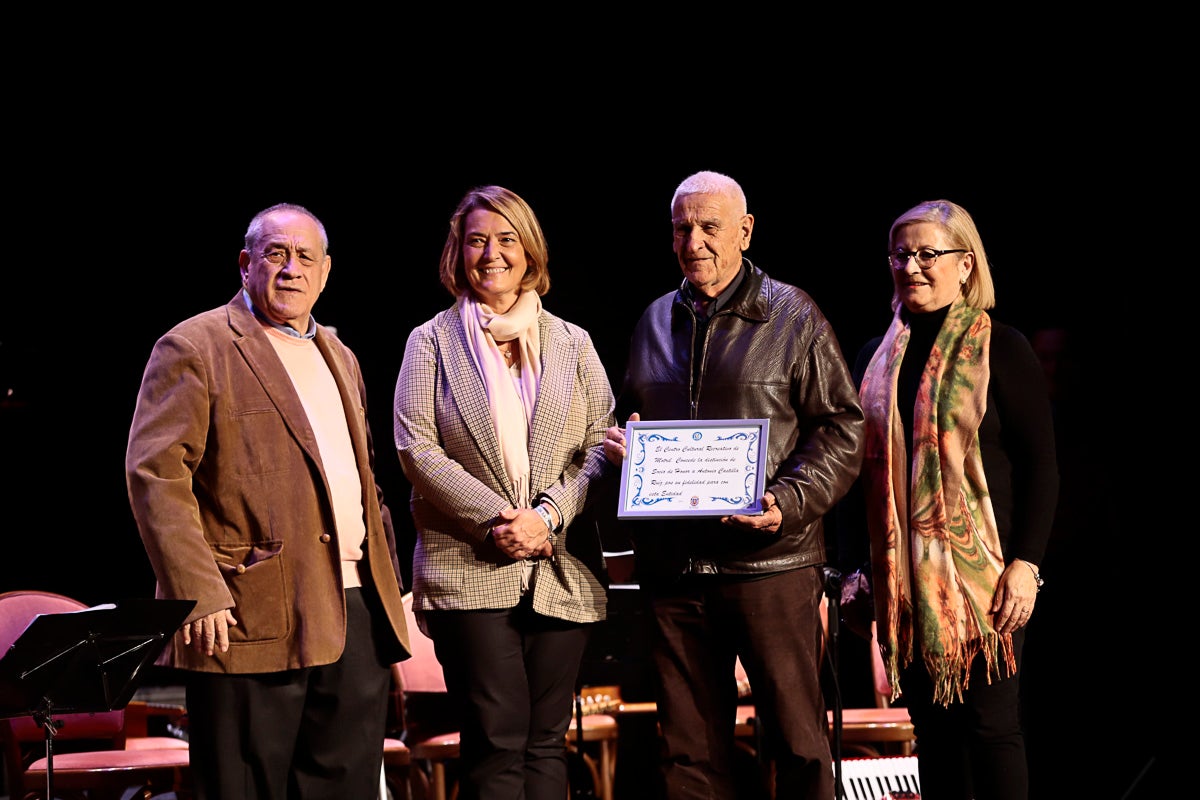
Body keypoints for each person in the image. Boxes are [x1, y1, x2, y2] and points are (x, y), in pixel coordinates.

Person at [125, 202, 411, 799]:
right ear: (245, 263)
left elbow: (361, 478)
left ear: (326, 271)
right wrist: (196, 594)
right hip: (246, 612)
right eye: (276, 253)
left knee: (344, 786)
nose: (290, 269)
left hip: (355, 609)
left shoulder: (342, 355)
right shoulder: (195, 345)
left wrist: (388, 578)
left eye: (305, 256)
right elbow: (156, 475)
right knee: (244, 786)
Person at [602, 170, 866, 799]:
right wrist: (629, 450)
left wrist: (789, 502)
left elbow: (843, 428)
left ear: (745, 231)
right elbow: (633, 420)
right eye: (682, 228)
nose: (695, 241)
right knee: (688, 755)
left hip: (771, 566)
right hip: (675, 573)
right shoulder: (652, 323)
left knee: (797, 745)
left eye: (710, 227)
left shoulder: (792, 316)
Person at [393, 185, 616, 800]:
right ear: (458, 252)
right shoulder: (430, 341)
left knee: (548, 743)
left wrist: (548, 516)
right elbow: (417, 449)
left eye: (506, 239)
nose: (491, 253)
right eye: (476, 240)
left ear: (530, 250)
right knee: (495, 739)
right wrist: (499, 518)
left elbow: (600, 444)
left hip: (561, 566)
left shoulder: (573, 341)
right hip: (469, 567)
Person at [843, 199, 1059, 800]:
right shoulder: (874, 360)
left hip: (988, 583)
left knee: (990, 728)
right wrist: (862, 572)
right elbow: (865, 477)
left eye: (927, 254)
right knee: (933, 732)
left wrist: (1028, 564)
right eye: (900, 254)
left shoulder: (1002, 348)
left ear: (966, 264)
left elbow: (1042, 466)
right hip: (907, 586)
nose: (911, 266)